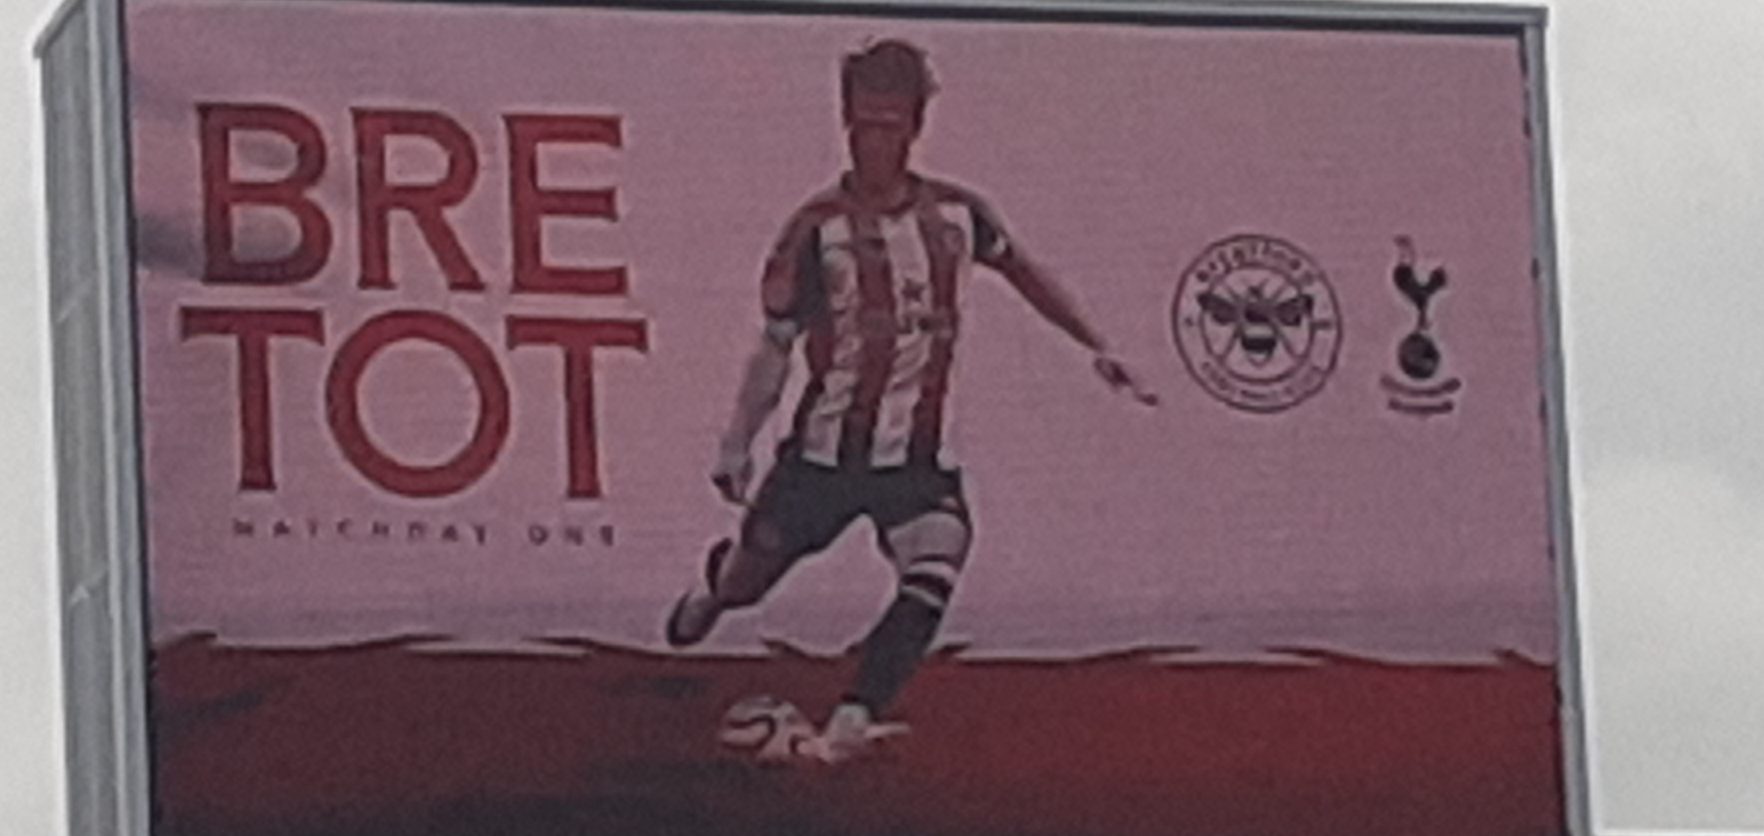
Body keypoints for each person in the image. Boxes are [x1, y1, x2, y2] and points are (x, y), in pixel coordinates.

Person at [665, 38, 1156, 763]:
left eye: (890, 125)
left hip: (914, 461)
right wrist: (736, 446)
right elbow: (774, 347)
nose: (874, 142)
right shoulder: (815, 230)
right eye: (863, 123)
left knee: (936, 563)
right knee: (749, 578)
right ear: (846, 121)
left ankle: (854, 716)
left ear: (915, 127)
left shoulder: (958, 215)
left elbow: (1025, 270)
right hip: (821, 462)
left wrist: (1097, 346)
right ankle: (716, 592)